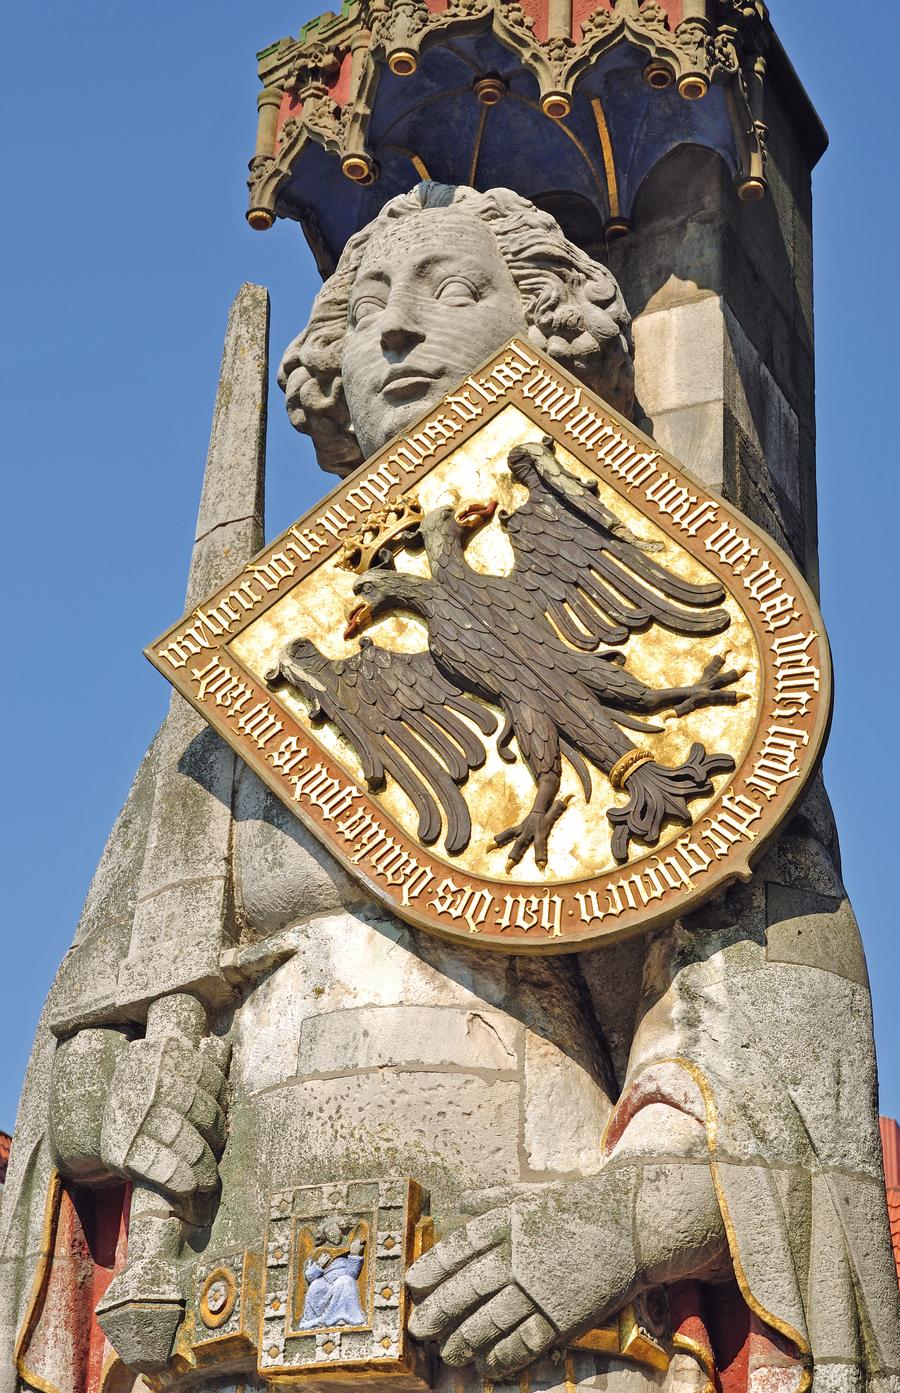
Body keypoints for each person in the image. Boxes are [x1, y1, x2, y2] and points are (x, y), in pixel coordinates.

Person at [2, 184, 897, 1393]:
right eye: (367, 305)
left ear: (549, 327)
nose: (397, 332)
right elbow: (82, 1050)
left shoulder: (656, 607)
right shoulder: (243, 690)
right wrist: (115, 1105)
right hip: (223, 1320)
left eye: (454, 290)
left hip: (527, 1313)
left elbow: (777, 1024)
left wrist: (614, 1229)